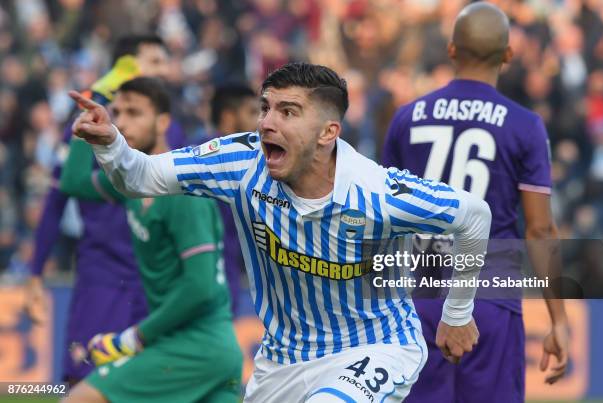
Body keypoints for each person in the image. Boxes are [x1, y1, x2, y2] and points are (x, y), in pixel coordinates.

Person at [68, 62, 491, 402]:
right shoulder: (240, 162)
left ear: (328, 132)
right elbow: (141, 176)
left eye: (288, 112)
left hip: (375, 346)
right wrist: (111, 145)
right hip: (282, 360)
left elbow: (475, 215)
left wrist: (457, 314)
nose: (267, 122)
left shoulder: (378, 192)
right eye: (266, 108)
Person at [382, 3, 568, 403]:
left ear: (451, 50)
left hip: (421, 293)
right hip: (491, 295)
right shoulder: (524, 124)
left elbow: (384, 219)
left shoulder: (406, 118)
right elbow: (539, 229)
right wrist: (560, 320)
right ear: (508, 55)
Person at [60, 77, 243, 403]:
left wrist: (132, 338)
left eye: (135, 112)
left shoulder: (183, 188)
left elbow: (199, 286)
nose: (124, 122)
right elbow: (73, 183)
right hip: (187, 346)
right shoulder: (132, 183)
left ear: (163, 122)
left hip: (195, 345)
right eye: (118, 112)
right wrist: (85, 130)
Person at [24, 34, 186, 384]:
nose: (165, 69)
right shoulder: (87, 121)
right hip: (104, 275)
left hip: (157, 281)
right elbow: (58, 195)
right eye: (155, 61)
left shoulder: (169, 126)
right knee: (81, 383)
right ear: (125, 67)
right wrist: (36, 272)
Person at [207, 83, 259, 314]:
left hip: (227, 280)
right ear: (228, 117)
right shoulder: (204, 161)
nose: (261, 122)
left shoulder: (247, 162)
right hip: (206, 285)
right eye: (252, 112)